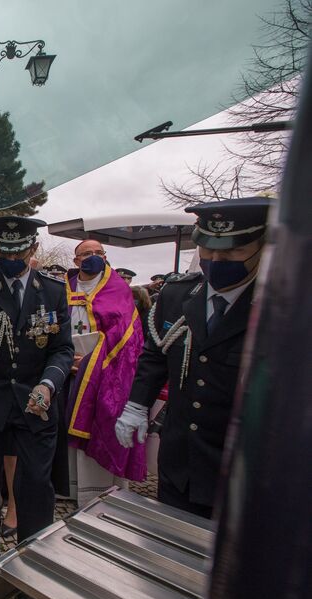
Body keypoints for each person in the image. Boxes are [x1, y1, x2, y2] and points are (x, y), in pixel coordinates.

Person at [115, 198, 270, 519]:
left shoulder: (280, 307)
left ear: (261, 246)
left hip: (244, 469)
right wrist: (137, 405)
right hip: (180, 458)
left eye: (232, 252)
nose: (216, 260)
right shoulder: (178, 295)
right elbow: (156, 355)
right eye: (208, 251)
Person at [0, 216, 73, 599]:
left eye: (17, 251)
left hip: (35, 403)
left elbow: (62, 349)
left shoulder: (53, 291)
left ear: (32, 250)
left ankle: (32, 568)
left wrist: (49, 384)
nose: (10, 258)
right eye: (3, 251)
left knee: (36, 487)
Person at [65, 240, 145, 508]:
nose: (94, 257)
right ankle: (67, 485)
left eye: (99, 253)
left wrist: (90, 361)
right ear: (76, 260)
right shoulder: (64, 287)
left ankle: (97, 490)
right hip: (66, 369)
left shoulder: (117, 288)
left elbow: (126, 336)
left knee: (98, 420)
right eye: (87, 253)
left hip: (103, 371)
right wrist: (65, 357)